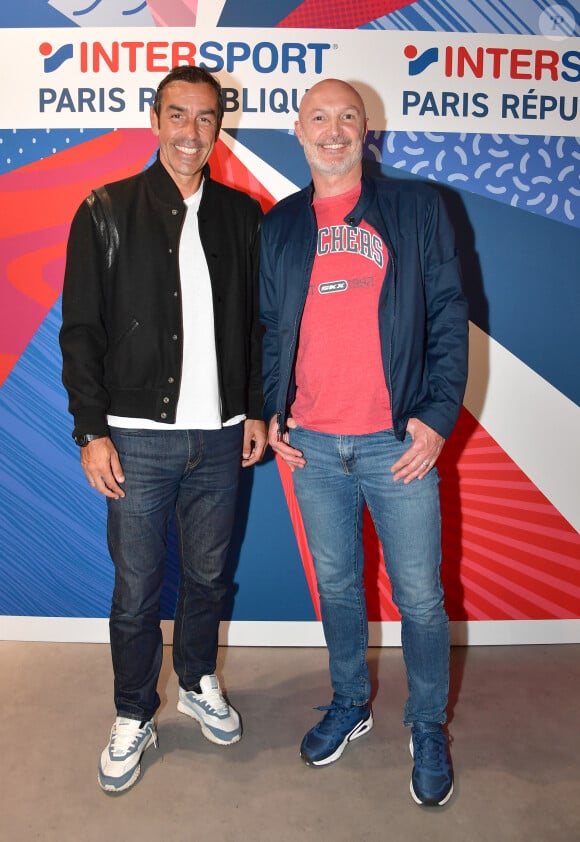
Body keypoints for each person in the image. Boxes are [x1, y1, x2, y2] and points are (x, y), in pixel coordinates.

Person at [260, 79, 468, 807]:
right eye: (320, 117)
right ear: (299, 130)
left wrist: (438, 417)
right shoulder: (281, 225)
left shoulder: (416, 209)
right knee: (340, 588)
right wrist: (272, 410)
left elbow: (448, 315)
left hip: (394, 444)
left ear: (367, 129)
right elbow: (267, 329)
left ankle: (427, 723)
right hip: (314, 447)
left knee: (420, 595)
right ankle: (350, 702)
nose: (335, 130)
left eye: (348, 117)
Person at [60, 65, 267, 794]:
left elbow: (260, 327)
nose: (191, 132)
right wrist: (91, 430)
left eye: (205, 118)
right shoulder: (104, 209)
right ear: (154, 121)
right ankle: (131, 711)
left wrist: (256, 411)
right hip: (136, 438)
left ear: (220, 126)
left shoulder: (244, 218)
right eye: (177, 116)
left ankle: (199, 678)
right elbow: (81, 331)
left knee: (210, 577)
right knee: (138, 586)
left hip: (220, 439)